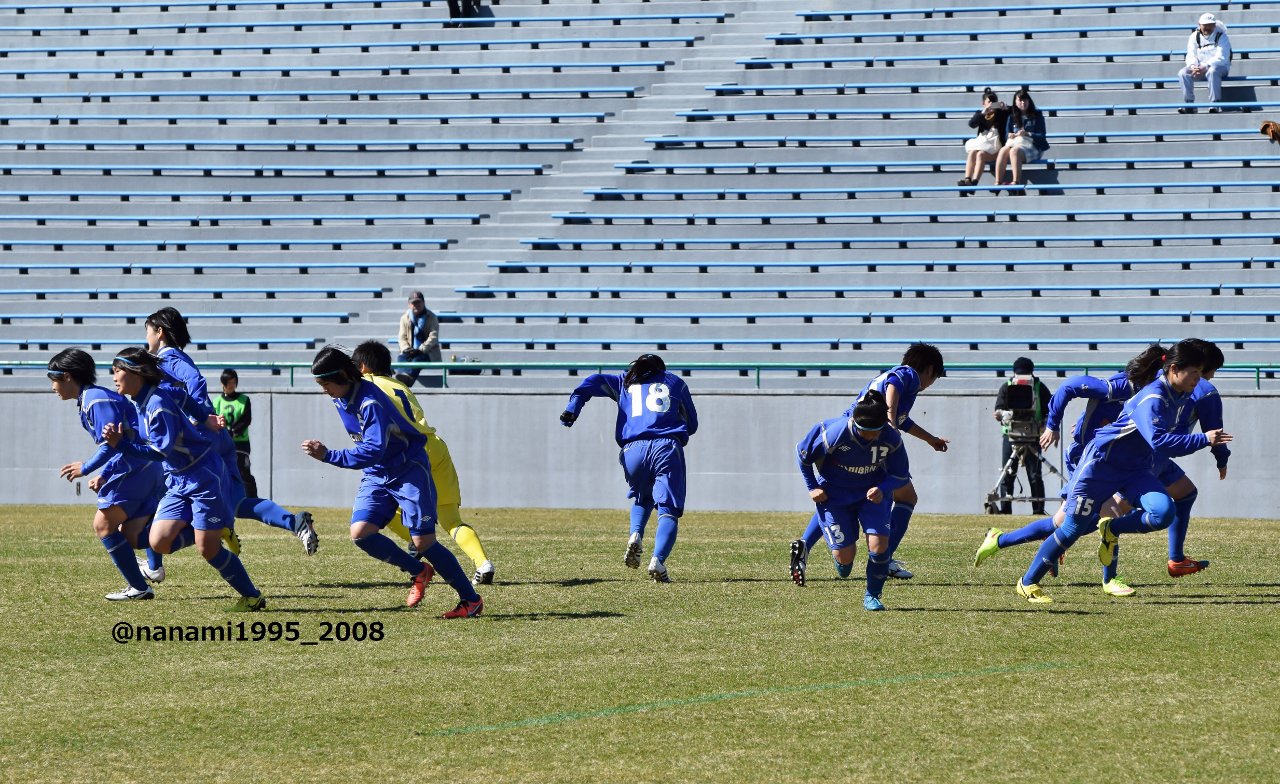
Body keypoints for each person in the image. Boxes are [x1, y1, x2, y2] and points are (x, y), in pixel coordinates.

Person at [1012, 340, 1232, 605]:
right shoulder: (1154, 397)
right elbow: (1160, 442)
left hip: (1135, 470)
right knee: (1071, 527)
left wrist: (1217, 451)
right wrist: (1204, 440)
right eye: (1195, 373)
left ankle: (1111, 527)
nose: (1201, 379)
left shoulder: (1182, 396)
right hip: (1100, 466)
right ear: (1174, 370)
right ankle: (1027, 582)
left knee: (1164, 512)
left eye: (1201, 373)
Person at [302, 346, 483, 618]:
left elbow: (374, 448)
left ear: (343, 375)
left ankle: (471, 600)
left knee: (424, 542)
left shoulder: (370, 403)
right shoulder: (341, 396)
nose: (324, 390)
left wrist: (329, 455)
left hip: (407, 469)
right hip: (377, 473)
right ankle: (419, 571)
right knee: (360, 534)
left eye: (326, 384)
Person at [973, 344, 1166, 597]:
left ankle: (1001, 540)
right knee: (1105, 514)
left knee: (1068, 523)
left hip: (1117, 463)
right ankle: (1108, 579)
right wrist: (1052, 426)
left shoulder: (1154, 395)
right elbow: (1069, 386)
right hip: (1090, 460)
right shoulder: (1120, 387)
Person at [145, 308, 318, 556]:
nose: (147, 338)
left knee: (164, 494)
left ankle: (154, 567)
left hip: (199, 443)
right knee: (237, 503)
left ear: (159, 332)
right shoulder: (179, 356)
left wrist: (198, 418)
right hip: (216, 440)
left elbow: (195, 381)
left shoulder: (166, 358)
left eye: (148, 332)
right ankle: (295, 522)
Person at [104, 347, 266, 611]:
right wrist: (206, 417)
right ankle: (216, 528)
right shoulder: (146, 398)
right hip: (178, 480)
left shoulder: (156, 405)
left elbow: (159, 452)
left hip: (203, 476)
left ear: (137, 373)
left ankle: (252, 597)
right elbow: (182, 395)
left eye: (117, 371)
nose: (113, 377)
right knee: (159, 542)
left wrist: (121, 445)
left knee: (208, 550)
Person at [790, 343, 947, 586]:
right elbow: (895, 384)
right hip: (867, 438)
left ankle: (805, 544)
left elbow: (903, 420)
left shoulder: (894, 381)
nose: (931, 382)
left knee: (834, 492)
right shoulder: (909, 374)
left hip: (854, 435)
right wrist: (890, 420)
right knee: (906, 497)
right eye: (935, 376)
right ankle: (885, 558)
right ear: (929, 369)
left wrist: (930, 439)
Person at [350, 340, 496, 585]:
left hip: (411, 452)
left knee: (382, 513)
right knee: (450, 519)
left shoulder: (368, 385)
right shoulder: (399, 384)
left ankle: (417, 545)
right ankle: (483, 563)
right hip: (435, 445)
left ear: (363, 367)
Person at [560, 354, 698, 583]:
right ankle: (658, 560)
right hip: (666, 446)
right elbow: (692, 424)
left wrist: (573, 406)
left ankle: (635, 533)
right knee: (668, 509)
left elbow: (593, 381)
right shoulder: (674, 382)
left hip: (632, 449)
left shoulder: (625, 381)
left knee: (642, 497)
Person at [48, 349, 166, 600]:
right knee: (130, 533)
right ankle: (159, 561)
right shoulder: (92, 398)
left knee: (103, 525)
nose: (52, 387)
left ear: (67, 376)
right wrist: (105, 474)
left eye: (53, 379)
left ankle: (140, 586)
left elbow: (112, 443)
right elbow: (118, 441)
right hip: (142, 467)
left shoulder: (95, 400)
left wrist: (86, 468)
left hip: (136, 469)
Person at [795, 390, 909, 611]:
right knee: (845, 561)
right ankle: (841, 559)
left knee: (878, 546)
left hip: (872, 496)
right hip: (835, 496)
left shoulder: (891, 438)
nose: (870, 437)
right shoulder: (834, 432)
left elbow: (901, 474)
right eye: (864, 431)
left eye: (874, 432)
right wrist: (813, 487)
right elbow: (803, 455)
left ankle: (873, 595)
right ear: (855, 423)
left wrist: (883, 488)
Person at [991, 357, 1052, 515]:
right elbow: (997, 410)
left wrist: (1045, 425)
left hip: (1033, 435)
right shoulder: (1007, 387)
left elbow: (1050, 410)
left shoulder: (1039, 387)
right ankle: (1005, 511)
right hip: (1011, 435)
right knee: (1008, 473)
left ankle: (1038, 511)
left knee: (1035, 475)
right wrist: (1004, 414)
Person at [212, 368, 258, 499]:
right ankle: (225, 500)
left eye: (234, 382)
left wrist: (233, 431)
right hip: (223, 444)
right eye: (229, 382)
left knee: (243, 471)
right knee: (222, 471)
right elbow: (215, 420)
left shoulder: (244, 400)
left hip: (241, 443)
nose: (232, 385)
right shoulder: (216, 402)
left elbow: (246, 419)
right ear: (223, 384)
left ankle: (252, 500)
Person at [994, 88, 1049, 190]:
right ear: (1015, 102)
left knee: (1014, 151)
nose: (1023, 103)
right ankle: (998, 183)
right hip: (1017, 144)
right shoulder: (1011, 117)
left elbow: (1042, 135)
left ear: (1029, 101)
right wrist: (1010, 135)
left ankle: (1016, 182)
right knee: (1003, 150)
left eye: (1025, 100)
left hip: (1033, 146)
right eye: (1020, 100)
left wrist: (1027, 133)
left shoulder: (1037, 115)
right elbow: (1007, 134)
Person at [1178, 13, 1231, 113]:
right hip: (1199, 68)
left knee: (1212, 71)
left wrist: (1205, 66)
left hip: (1220, 67)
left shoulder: (1222, 36)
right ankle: (1189, 104)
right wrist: (1193, 66)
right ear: (1199, 25)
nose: (1207, 27)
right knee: (1183, 73)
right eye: (1204, 25)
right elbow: (1191, 54)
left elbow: (1221, 57)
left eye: (1210, 25)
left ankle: (1214, 104)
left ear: (1214, 25)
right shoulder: (1194, 36)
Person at [958, 87, 1009, 187]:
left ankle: (974, 182)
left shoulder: (1002, 113)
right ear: (984, 103)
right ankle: (968, 179)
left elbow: (1014, 111)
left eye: (994, 102)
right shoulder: (980, 114)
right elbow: (972, 124)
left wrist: (1004, 106)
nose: (991, 105)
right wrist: (983, 113)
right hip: (983, 145)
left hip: (996, 147)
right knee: (973, 152)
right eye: (989, 102)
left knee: (980, 154)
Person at [395, 291, 442, 388]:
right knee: (401, 358)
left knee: (417, 360)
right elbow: (402, 337)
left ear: (423, 303)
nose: (416, 305)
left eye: (418, 302)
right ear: (409, 305)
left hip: (427, 352)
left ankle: (406, 380)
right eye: (413, 303)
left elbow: (433, 337)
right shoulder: (404, 318)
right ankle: (403, 378)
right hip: (409, 351)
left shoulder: (432, 317)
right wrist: (406, 349)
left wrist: (420, 350)